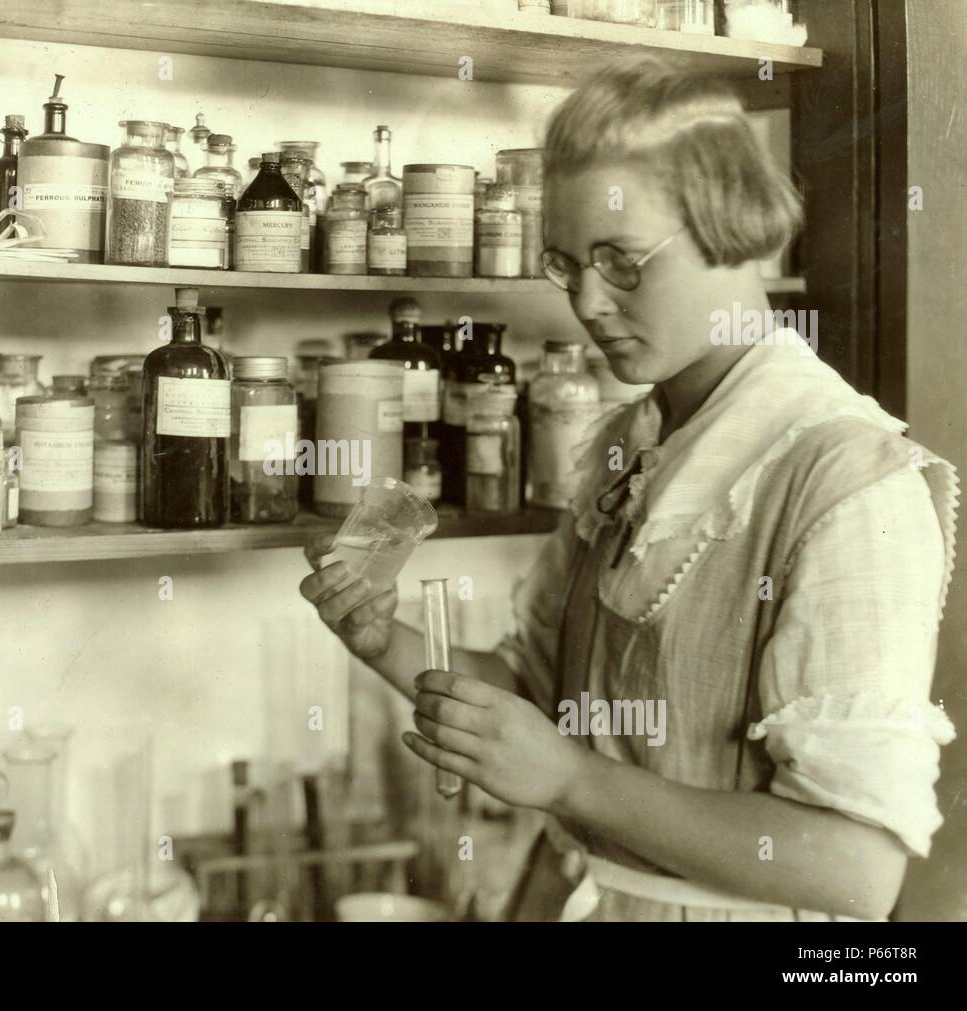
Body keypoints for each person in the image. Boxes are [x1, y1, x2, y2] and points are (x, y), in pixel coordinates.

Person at [299, 57, 958, 921]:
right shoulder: (627, 445)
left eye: (621, 259)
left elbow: (855, 868)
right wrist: (386, 639)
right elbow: (544, 695)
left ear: (730, 225)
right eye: (567, 264)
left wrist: (572, 778)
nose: (588, 301)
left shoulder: (847, 479)